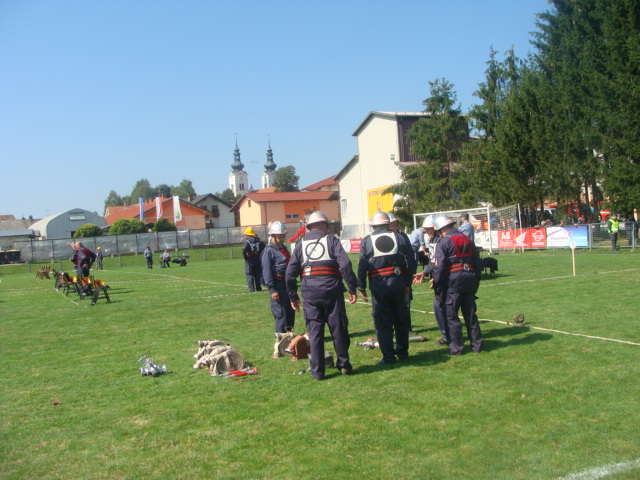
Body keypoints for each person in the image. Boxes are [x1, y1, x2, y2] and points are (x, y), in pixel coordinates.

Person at [286, 211, 358, 380]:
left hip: (310, 293)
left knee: (315, 333)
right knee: (338, 329)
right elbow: (345, 265)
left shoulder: (300, 244)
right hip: (332, 290)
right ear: (325, 225)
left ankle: (318, 372)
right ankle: (343, 365)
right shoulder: (331, 241)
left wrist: (293, 297)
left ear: (309, 227)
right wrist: (352, 288)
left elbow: (290, 274)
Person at [357, 211, 413, 365]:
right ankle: (402, 353)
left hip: (378, 283)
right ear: (388, 224)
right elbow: (408, 263)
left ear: (374, 226)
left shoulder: (367, 240)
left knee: (382, 321)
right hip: (398, 281)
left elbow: (362, 266)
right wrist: (407, 284)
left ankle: (388, 356)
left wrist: (361, 287)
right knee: (400, 319)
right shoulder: (399, 238)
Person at [432, 215, 483, 355]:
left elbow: (439, 267)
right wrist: (476, 283)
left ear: (441, 229)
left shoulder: (443, 242)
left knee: (452, 316)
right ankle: (477, 346)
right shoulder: (467, 239)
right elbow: (477, 263)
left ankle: (456, 348)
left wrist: (437, 288)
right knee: (471, 315)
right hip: (470, 280)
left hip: (453, 282)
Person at [413, 215, 449, 346]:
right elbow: (433, 262)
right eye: (426, 230)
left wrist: (437, 276)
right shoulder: (433, 240)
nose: (427, 233)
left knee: (441, 306)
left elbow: (443, 262)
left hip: (447, 278)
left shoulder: (442, 241)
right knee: (441, 306)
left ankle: (448, 336)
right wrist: (424, 273)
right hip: (441, 277)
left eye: (429, 230)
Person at [262, 221, 296, 354]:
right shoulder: (268, 251)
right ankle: (280, 345)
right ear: (273, 236)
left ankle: (289, 341)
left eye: (283, 236)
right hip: (278, 287)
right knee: (281, 315)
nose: (282, 238)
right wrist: (272, 290)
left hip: (288, 287)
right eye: (279, 236)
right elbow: (267, 273)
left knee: (290, 314)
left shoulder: (284, 249)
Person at [388, 212, 418, 333]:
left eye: (394, 225)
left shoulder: (403, 236)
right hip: (389, 277)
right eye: (391, 225)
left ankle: (407, 327)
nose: (393, 227)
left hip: (404, 275)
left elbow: (410, 256)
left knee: (406, 303)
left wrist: (411, 273)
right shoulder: (383, 238)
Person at [242, 227, 265, 292]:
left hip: (250, 258)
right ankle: (259, 288)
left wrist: (245, 257)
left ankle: (251, 289)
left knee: (249, 273)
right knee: (257, 273)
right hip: (257, 258)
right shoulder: (259, 240)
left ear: (247, 234)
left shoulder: (248, 241)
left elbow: (244, 249)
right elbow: (264, 248)